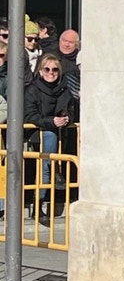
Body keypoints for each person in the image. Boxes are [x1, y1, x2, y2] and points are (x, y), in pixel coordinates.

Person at [26, 52, 77, 225]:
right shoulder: (32, 89)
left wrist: (66, 118)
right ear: (40, 71)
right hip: (37, 135)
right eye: (46, 69)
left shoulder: (65, 88)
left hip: (60, 134)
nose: (51, 72)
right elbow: (29, 115)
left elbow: (70, 108)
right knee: (46, 162)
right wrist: (51, 121)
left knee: (52, 143)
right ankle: (38, 206)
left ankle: (55, 174)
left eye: (55, 69)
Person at [57, 29, 80, 100]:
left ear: (76, 44)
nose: (66, 44)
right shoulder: (49, 56)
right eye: (64, 41)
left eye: (71, 42)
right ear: (60, 41)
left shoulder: (80, 60)